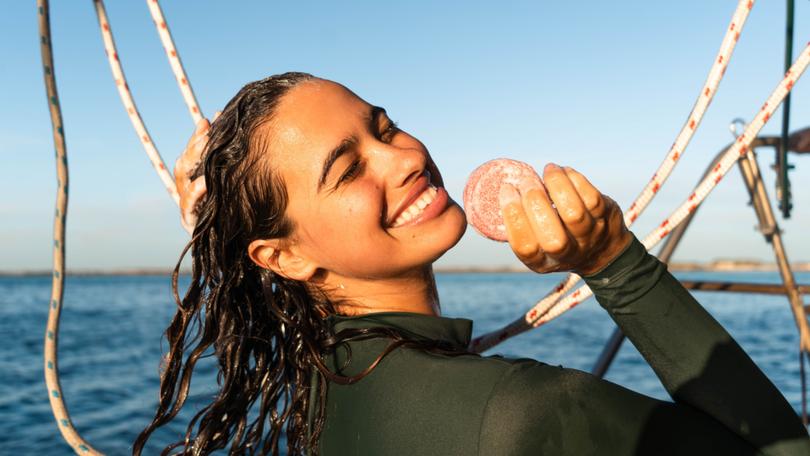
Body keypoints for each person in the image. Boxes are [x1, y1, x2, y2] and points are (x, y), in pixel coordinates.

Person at [135, 72, 810, 455]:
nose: (405, 157)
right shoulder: (533, 412)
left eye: (384, 125)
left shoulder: (308, 397)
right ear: (280, 256)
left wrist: (216, 216)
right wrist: (615, 262)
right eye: (347, 171)